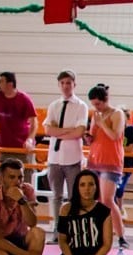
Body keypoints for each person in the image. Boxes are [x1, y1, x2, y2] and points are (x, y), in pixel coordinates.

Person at [42, 70, 88, 243]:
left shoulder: (81, 106)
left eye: (69, 83)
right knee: (56, 195)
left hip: (72, 156)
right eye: (62, 83)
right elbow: (47, 130)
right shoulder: (54, 105)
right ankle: (56, 229)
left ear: (74, 84)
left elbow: (79, 131)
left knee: (73, 196)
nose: (66, 86)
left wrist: (59, 132)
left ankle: (73, 230)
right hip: (54, 157)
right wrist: (68, 130)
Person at [85, 83, 129, 249]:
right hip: (95, 159)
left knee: (107, 200)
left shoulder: (117, 114)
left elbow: (115, 135)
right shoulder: (96, 115)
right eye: (94, 104)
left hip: (111, 162)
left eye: (98, 104)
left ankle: (121, 235)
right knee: (94, 200)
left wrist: (102, 123)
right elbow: (94, 138)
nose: (96, 107)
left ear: (105, 100)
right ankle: (96, 233)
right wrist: (89, 136)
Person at [56, 169, 112, 255]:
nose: (87, 189)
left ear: (96, 187)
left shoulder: (104, 211)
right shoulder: (66, 209)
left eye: (91, 184)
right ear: (77, 187)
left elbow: (107, 244)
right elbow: (62, 240)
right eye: (82, 185)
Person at [113, 106, 133, 219]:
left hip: (126, 164)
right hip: (114, 163)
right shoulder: (113, 131)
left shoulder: (130, 130)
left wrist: (117, 148)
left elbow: (130, 149)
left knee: (119, 188)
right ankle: (116, 211)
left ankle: (120, 208)